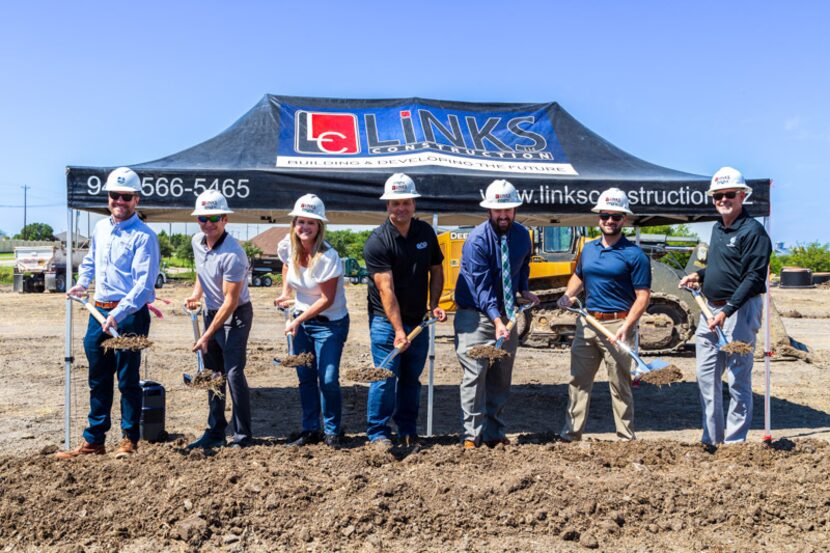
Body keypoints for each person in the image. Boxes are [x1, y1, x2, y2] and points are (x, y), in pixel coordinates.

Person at [59, 167, 160, 459]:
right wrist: (81, 284)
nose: (120, 201)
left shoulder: (144, 236)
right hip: (98, 311)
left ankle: (129, 440)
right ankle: (94, 440)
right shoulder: (101, 227)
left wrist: (119, 312)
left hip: (128, 314)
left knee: (128, 379)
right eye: (115, 195)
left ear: (136, 200)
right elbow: (91, 260)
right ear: (108, 198)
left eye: (126, 196)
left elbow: (143, 286)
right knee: (98, 377)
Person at [679, 167, 771, 449]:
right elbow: (723, 267)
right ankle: (711, 439)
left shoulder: (753, 231)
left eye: (729, 194)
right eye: (718, 196)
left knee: (737, 379)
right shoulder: (718, 228)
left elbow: (754, 277)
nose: (723, 200)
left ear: (742, 195)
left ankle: (734, 443)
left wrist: (727, 310)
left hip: (738, 312)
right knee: (705, 378)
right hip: (711, 309)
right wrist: (701, 276)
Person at [557, 188, 651, 442]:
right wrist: (569, 295)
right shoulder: (588, 249)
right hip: (587, 323)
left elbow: (643, 296)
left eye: (616, 217)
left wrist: (628, 326)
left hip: (619, 325)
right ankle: (571, 435)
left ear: (624, 220)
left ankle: (625, 438)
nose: (609, 221)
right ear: (599, 217)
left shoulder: (635, 255)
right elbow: (579, 275)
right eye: (605, 215)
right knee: (577, 382)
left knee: (620, 386)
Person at [363, 173, 446, 448]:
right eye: (395, 203)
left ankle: (408, 430)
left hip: (419, 320)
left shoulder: (425, 233)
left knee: (412, 379)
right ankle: (377, 433)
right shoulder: (378, 241)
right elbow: (386, 290)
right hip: (387, 324)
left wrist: (434, 305)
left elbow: (436, 269)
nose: (401, 208)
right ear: (387, 206)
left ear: (414, 204)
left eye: (406, 202)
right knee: (385, 378)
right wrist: (399, 331)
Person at [454, 179, 539, 449]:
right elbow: (481, 288)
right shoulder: (477, 240)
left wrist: (524, 290)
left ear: (515, 209)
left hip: (506, 313)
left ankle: (494, 433)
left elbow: (522, 265)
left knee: (501, 376)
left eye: (508, 210)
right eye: (497, 210)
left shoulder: (522, 235)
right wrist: (497, 320)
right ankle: (472, 435)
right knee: (475, 374)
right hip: (475, 315)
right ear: (489, 210)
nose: (503, 215)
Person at [274, 194, 350, 448]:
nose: (305, 227)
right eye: (301, 222)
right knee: (305, 377)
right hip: (302, 320)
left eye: (311, 223)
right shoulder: (288, 246)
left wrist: (297, 320)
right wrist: (286, 292)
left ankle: (332, 430)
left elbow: (326, 299)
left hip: (329, 323)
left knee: (327, 378)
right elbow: (287, 265)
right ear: (294, 224)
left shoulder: (329, 257)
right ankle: (311, 429)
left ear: (320, 227)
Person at [185, 190, 254, 449]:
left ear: (225, 219)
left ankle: (243, 435)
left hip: (236, 315)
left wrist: (205, 335)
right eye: (202, 217)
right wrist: (195, 294)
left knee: (233, 372)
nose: (208, 223)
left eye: (214, 217)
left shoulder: (234, 255)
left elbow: (231, 301)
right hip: (212, 311)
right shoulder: (196, 242)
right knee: (213, 373)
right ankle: (215, 430)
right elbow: (202, 274)